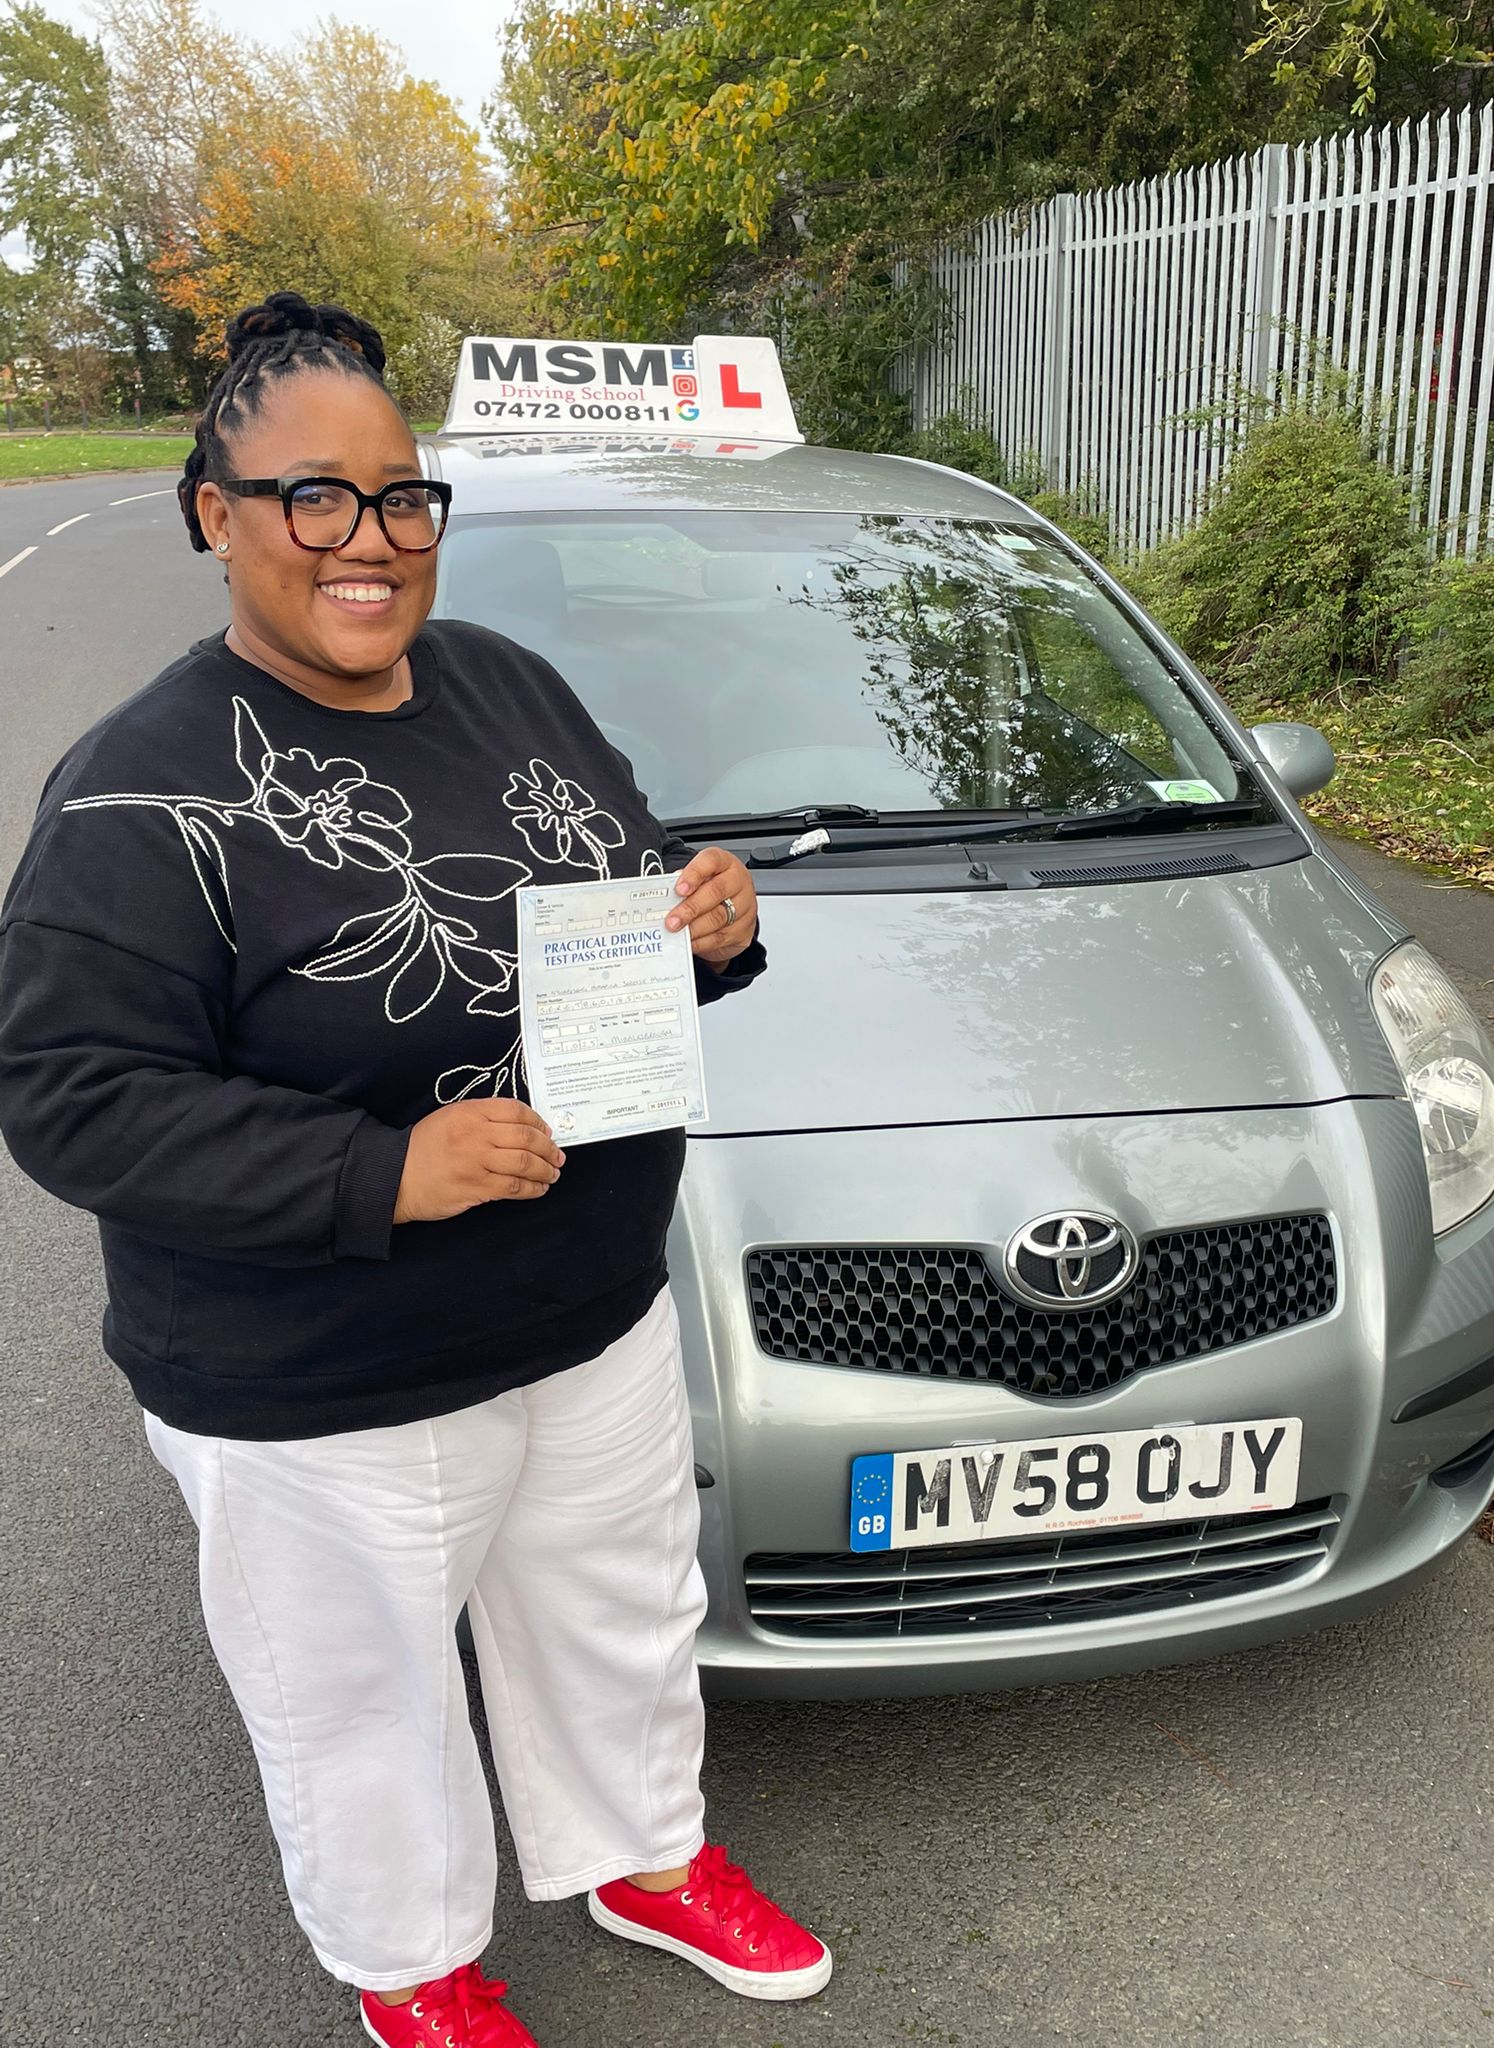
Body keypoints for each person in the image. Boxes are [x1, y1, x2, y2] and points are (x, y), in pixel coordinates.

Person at [0, 292, 831, 2047]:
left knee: (620, 1614)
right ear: (210, 512)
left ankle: (642, 1854)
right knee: (358, 1693)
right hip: (319, 1379)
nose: (368, 540)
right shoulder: (137, 796)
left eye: (400, 496)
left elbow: (604, 898)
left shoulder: (504, 683)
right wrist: (379, 1171)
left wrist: (707, 921)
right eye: (314, 496)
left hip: (584, 1311)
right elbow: (68, 1095)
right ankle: (418, 1971)